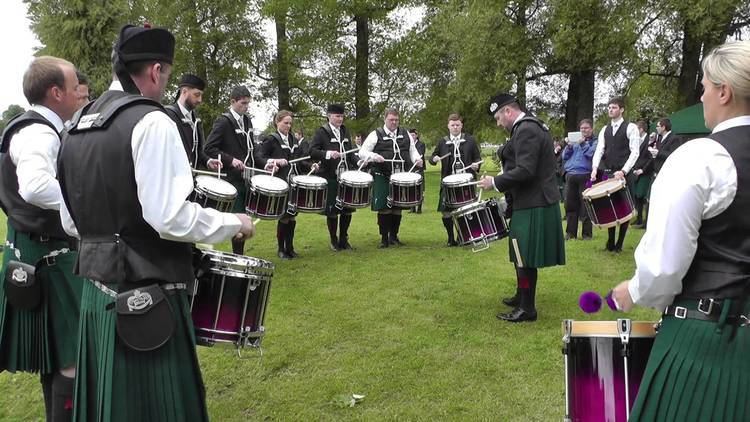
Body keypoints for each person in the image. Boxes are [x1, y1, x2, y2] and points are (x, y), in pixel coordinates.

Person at [57, 24, 255, 422]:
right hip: (149, 299)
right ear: (155, 71)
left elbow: (70, 220)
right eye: (166, 74)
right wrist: (231, 222)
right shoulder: (152, 121)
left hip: (97, 293)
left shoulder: (76, 124)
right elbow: (168, 217)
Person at [610, 40, 750, 421]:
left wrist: (635, 288)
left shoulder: (701, 158)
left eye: (703, 85)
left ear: (724, 91)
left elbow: (663, 269)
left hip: (706, 342)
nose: (701, 95)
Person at [0, 56, 84, 421]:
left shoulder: (29, 127)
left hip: (34, 253)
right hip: (48, 256)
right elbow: (34, 186)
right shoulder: (38, 132)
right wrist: (83, 209)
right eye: (74, 86)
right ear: (56, 93)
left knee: (56, 358)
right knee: (73, 359)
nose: (80, 92)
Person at [478, 93, 565, 322]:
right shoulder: (525, 128)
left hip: (534, 202)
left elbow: (526, 170)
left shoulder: (526, 129)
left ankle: (527, 308)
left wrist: (494, 182)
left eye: (498, 117)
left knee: (524, 257)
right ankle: (522, 295)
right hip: (529, 200)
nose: (498, 123)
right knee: (520, 255)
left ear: (508, 111)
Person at [205, 85, 270, 255]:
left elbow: (253, 150)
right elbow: (209, 148)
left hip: (246, 177)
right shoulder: (223, 121)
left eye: (248, 103)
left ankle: (239, 254)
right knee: (238, 220)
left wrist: (265, 164)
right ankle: (238, 256)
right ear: (232, 102)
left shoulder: (247, 121)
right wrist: (230, 160)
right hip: (231, 179)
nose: (246, 107)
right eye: (243, 103)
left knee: (245, 219)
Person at [358, 108, 423, 248]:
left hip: (400, 175)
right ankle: (384, 238)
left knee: (397, 207)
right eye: (391, 120)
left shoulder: (405, 133)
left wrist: (417, 159)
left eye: (396, 120)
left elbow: (413, 151)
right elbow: (362, 152)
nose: (394, 122)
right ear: (385, 119)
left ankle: (394, 236)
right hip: (383, 175)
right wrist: (374, 156)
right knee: (384, 208)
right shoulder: (376, 134)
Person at [258, 110, 314, 259]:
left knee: (292, 215)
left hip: (293, 181)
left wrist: (310, 166)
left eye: (290, 123)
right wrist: (274, 161)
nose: (288, 126)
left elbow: (300, 159)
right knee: (283, 216)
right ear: (277, 122)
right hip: (279, 181)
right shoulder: (271, 139)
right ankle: (281, 249)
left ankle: (290, 248)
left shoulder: (293, 140)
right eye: (285, 123)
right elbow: (260, 157)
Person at [590, 97, 640, 253]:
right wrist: (594, 168)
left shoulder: (631, 128)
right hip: (610, 172)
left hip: (624, 173)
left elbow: (635, 152)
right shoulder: (605, 129)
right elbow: (599, 150)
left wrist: (624, 171)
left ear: (622, 109)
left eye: (614, 107)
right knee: (610, 207)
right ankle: (610, 242)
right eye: (609, 107)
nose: (610, 110)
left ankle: (619, 243)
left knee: (624, 209)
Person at [309, 103, 359, 251]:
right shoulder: (321, 132)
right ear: (329, 116)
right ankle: (333, 240)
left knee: (347, 208)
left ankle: (344, 238)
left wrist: (358, 161)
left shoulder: (344, 131)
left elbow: (349, 152)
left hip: (346, 175)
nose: (340, 119)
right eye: (337, 116)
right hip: (330, 175)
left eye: (342, 116)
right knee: (332, 210)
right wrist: (328, 154)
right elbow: (312, 151)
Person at [430, 113, 481, 246]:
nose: (455, 127)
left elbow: (477, 158)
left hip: (466, 182)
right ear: (448, 126)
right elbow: (433, 157)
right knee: (445, 211)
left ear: (461, 125)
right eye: (453, 125)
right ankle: (450, 238)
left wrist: (476, 165)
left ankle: (462, 237)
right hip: (448, 181)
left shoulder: (470, 140)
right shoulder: (443, 141)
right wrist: (434, 159)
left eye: (457, 125)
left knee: (465, 210)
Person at [164, 74, 220, 170]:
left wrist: (207, 160)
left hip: (191, 180)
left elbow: (197, 152)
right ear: (184, 91)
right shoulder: (168, 115)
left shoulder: (196, 120)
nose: (200, 100)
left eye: (201, 95)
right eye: (197, 95)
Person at [562, 119, 597, 240]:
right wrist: (569, 146)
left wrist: (583, 144)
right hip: (571, 174)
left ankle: (587, 234)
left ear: (591, 129)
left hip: (586, 174)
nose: (584, 130)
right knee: (570, 204)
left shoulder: (595, 142)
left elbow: (592, 155)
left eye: (586, 128)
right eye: (582, 128)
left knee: (586, 205)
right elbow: (564, 157)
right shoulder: (575, 141)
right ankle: (571, 233)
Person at [630, 120, 654, 228]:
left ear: (641, 129)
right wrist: (634, 168)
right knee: (636, 196)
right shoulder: (636, 141)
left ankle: (645, 220)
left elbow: (650, 159)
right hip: (636, 171)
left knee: (641, 195)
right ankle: (639, 219)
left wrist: (643, 170)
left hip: (645, 172)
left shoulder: (650, 140)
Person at [409, 128, 426, 213]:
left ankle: (419, 208)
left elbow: (420, 154)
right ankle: (412, 208)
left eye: (413, 135)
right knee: (411, 188)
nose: (412, 136)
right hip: (410, 169)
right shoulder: (407, 144)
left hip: (418, 168)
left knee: (420, 188)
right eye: (411, 135)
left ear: (416, 136)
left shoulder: (421, 144)